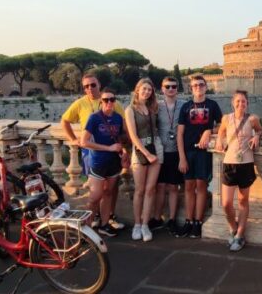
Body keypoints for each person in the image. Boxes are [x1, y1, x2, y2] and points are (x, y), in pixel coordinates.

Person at [61, 72, 126, 231]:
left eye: (93, 85)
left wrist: (124, 150)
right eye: (86, 86)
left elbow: (122, 130)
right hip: (92, 153)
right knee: (95, 192)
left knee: (109, 190)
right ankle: (89, 224)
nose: (89, 88)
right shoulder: (81, 104)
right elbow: (65, 121)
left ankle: (107, 219)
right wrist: (73, 139)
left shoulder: (115, 107)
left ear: (99, 85)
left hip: (112, 156)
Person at [214, 90, 262, 251]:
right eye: (238, 101)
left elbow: (260, 130)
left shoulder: (253, 119)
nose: (241, 104)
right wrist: (219, 140)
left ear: (247, 103)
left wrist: (257, 136)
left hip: (246, 163)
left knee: (243, 201)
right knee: (226, 203)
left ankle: (240, 235)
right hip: (229, 162)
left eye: (243, 101)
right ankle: (233, 227)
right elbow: (221, 131)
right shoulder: (226, 119)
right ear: (232, 103)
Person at [176, 75, 223, 239]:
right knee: (188, 187)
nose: (198, 87)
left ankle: (198, 222)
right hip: (188, 152)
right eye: (195, 85)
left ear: (206, 87)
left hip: (204, 152)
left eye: (201, 85)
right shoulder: (185, 107)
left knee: (201, 186)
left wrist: (209, 131)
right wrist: (182, 157)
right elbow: (180, 133)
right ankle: (188, 221)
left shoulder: (212, 105)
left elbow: (223, 126)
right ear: (191, 88)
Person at [80, 88, 125, 237]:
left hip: (113, 162)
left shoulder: (118, 118)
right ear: (101, 102)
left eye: (112, 99)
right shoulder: (94, 118)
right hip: (98, 162)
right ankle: (86, 228)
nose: (109, 102)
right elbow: (84, 142)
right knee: (94, 197)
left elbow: (120, 138)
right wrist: (108, 148)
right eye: (106, 100)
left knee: (108, 193)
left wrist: (123, 152)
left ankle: (104, 225)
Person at [125, 78, 163, 242]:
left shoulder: (153, 107)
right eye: (144, 89)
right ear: (137, 89)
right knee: (139, 190)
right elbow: (133, 136)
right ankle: (137, 224)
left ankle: (145, 225)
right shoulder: (130, 110)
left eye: (150, 89)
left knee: (150, 189)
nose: (147, 92)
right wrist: (147, 154)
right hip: (141, 150)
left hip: (156, 147)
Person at [153, 77, 186, 235]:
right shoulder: (156, 106)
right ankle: (157, 218)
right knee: (160, 186)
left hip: (176, 151)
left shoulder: (184, 105)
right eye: (168, 86)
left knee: (173, 187)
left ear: (177, 89)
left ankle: (172, 219)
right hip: (160, 151)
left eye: (174, 86)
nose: (171, 89)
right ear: (162, 89)